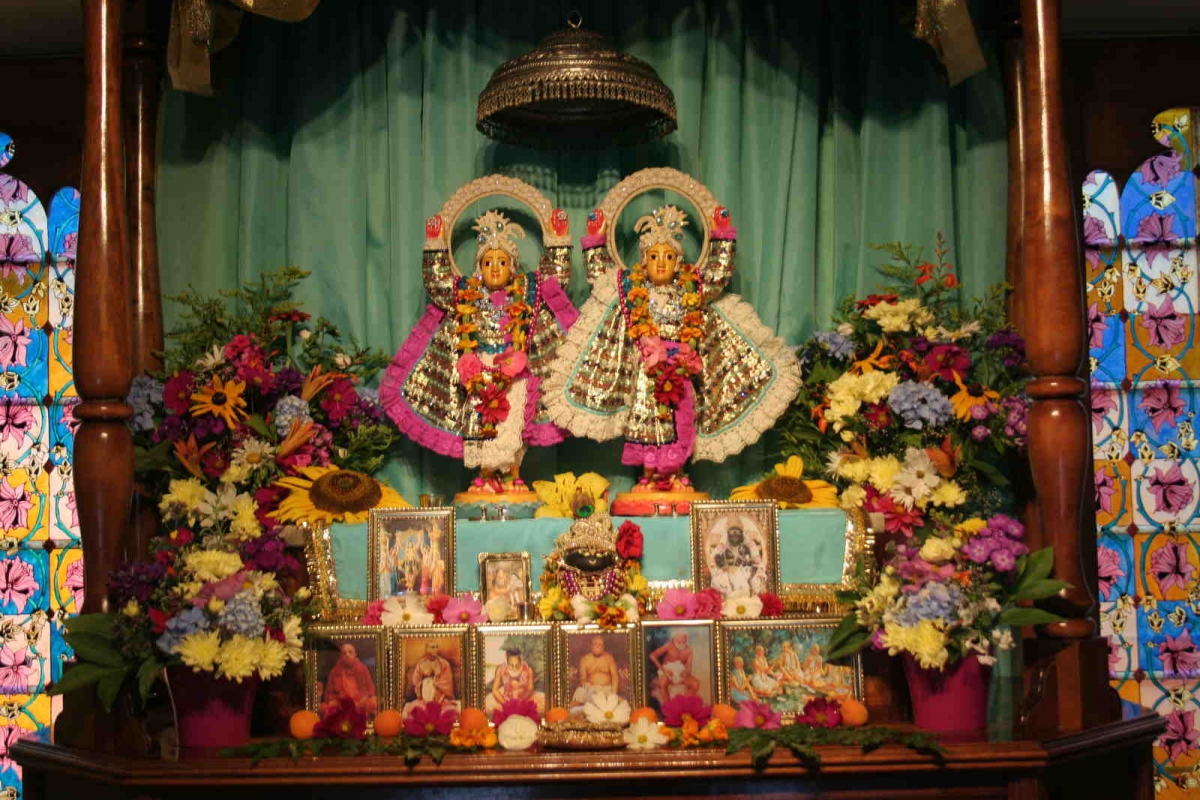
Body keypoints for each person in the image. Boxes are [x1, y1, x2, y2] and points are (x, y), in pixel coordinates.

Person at [544, 198, 799, 491]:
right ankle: (649, 474)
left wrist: (722, 236)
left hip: (680, 369)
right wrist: (595, 242)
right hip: (646, 372)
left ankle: (676, 472)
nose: (661, 262)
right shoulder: (632, 288)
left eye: (668, 256)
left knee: (680, 420)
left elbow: (717, 275)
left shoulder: (689, 289)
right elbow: (602, 278)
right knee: (646, 420)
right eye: (654, 256)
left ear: (678, 262)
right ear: (644, 261)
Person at [379, 206, 577, 494]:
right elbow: (438, 284)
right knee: (481, 421)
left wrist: (559, 241)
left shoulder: (527, 291)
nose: (495, 268)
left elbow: (554, 281)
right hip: (478, 370)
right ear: (478, 268)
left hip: (514, 371)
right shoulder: (465, 294)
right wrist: (434, 245)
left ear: (513, 267)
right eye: (487, 262)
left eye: (502, 262)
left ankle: (512, 475)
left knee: (513, 424)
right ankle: (484, 475)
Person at [320, 643, 378, 717]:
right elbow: (328, 693)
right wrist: (333, 701)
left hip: (360, 703)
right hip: (341, 705)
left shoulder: (362, 668)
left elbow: (370, 689)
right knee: (323, 707)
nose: (347, 655)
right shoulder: (334, 671)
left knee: (374, 702)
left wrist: (364, 699)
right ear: (341, 657)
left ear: (355, 655)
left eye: (350, 652)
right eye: (344, 653)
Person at [648, 631, 702, 707]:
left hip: (680, 671)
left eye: (684, 642)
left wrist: (686, 672)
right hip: (667, 670)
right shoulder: (668, 646)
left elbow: (689, 666)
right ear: (673, 640)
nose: (682, 644)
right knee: (663, 683)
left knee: (696, 684)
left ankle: (683, 705)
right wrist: (663, 670)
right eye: (679, 642)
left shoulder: (689, 649)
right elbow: (652, 655)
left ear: (686, 640)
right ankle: (668, 706)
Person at [485, 648, 546, 714]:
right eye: (511, 665)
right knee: (488, 704)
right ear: (506, 661)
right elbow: (495, 690)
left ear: (521, 661)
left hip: (525, 697)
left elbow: (530, 689)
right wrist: (505, 703)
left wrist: (520, 702)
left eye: (517, 664)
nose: (514, 668)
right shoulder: (500, 669)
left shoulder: (528, 670)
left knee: (544, 701)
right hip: (506, 696)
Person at [406, 640, 456, 717]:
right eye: (432, 647)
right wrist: (423, 684)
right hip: (425, 696)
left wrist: (436, 683)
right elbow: (416, 679)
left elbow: (447, 681)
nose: (435, 649)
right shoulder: (421, 663)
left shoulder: (444, 664)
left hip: (440, 697)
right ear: (426, 649)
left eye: (436, 647)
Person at [572, 635, 620, 712]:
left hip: (607, 689)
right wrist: (586, 684)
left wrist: (613, 693)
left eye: (600, 644)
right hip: (592, 689)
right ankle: (569, 712)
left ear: (603, 647)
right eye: (595, 643)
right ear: (591, 646)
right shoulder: (584, 659)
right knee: (580, 691)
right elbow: (582, 679)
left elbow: (615, 676)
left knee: (616, 703)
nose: (598, 646)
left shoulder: (609, 658)